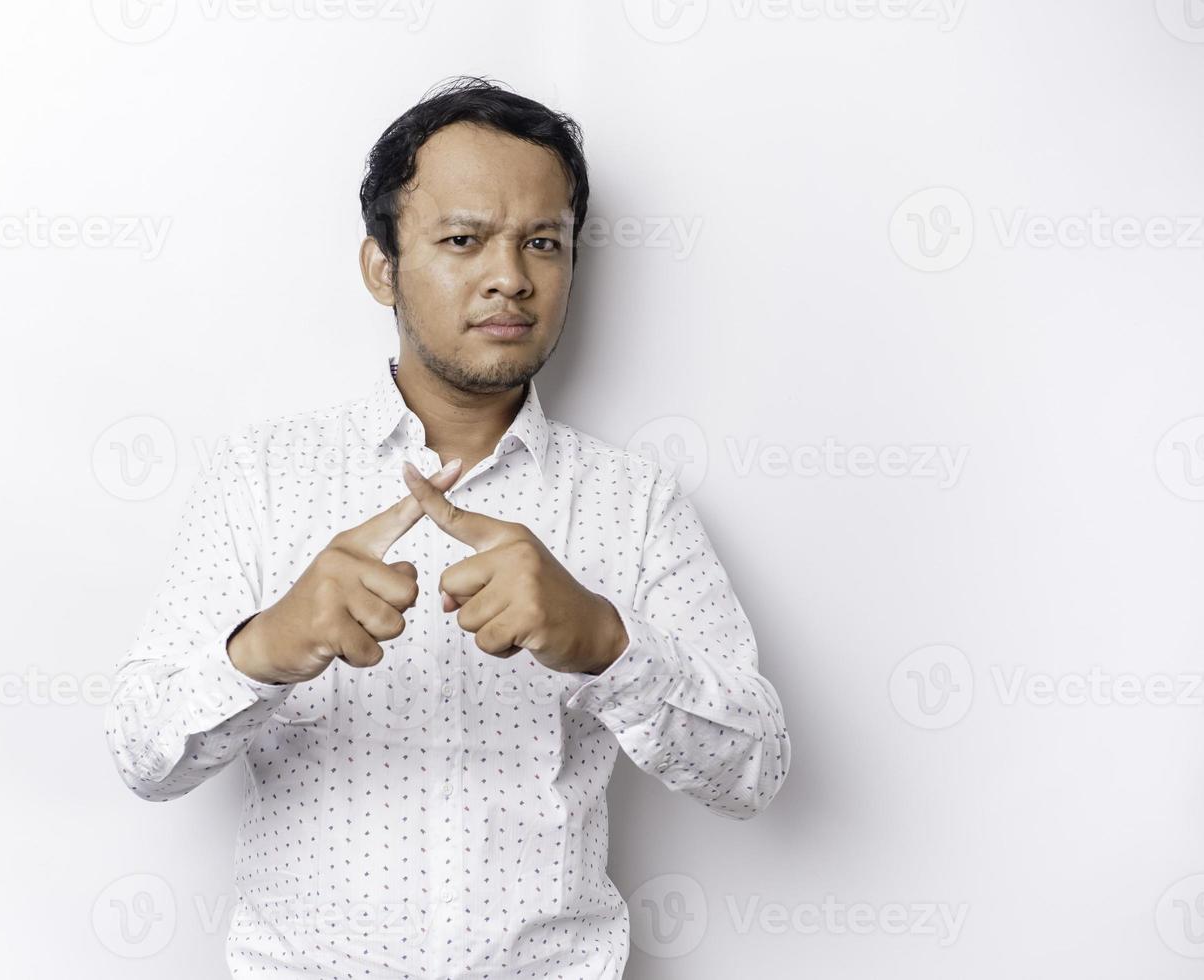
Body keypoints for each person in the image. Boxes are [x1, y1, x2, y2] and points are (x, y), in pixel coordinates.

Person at [104, 75, 790, 979]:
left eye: (543, 242)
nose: (510, 276)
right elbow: (143, 753)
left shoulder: (634, 502)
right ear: (380, 265)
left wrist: (606, 643)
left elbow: (755, 768)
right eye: (463, 240)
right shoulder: (261, 478)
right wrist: (266, 645)